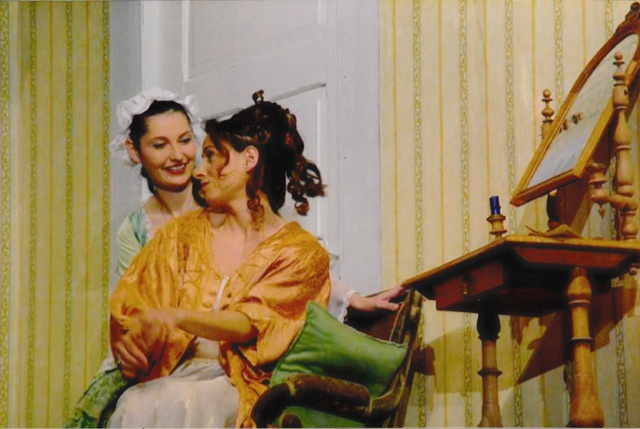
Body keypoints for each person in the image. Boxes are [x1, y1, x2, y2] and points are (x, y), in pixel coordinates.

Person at [107, 92, 331, 427]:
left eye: (211, 156)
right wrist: (133, 341)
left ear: (248, 160)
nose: (199, 171)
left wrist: (176, 316)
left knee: (183, 402)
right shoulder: (181, 235)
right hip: (173, 374)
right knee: (136, 404)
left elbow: (249, 323)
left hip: (241, 385)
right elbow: (134, 304)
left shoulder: (300, 251)